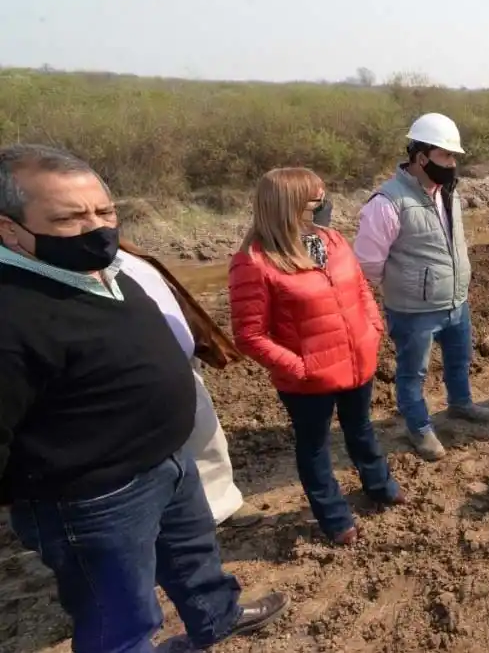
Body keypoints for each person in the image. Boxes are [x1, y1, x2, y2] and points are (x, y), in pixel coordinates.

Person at [0, 144, 288, 652]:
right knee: (120, 613)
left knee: (194, 557)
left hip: (170, 462)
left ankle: (216, 616)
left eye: (105, 211)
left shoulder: (100, 268)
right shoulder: (12, 310)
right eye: (70, 218)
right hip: (94, 500)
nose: (97, 227)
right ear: (9, 229)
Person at [230, 167, 403, 546]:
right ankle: (334, 516)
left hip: (357, 360)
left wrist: (372, 330)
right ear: (288, 205)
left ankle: (379, 485)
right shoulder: (254, 261)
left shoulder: (333, 239)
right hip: (309, 380)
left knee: (361, 429)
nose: (324, 205)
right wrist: (300, 367)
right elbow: (249, 335)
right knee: (314, 447)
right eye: (315, 199)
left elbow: (360, 290)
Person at [354, 113, 489, 462]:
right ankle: (418, 426)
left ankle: (460, 404)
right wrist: (410, 283)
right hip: (414, 310)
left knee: (460, 360)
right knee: (412, 373)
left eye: (454, 156)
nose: (453, 163)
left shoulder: (449, 193)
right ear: (421, 157)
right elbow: (368, 263)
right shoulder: (387, 202)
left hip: (456, 301)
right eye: (446, 155)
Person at [117, 241, 262, 529]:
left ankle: (220, 501)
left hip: (177, 365)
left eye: (104, 211)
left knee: (203, 433)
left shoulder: (125, 253)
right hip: (122, 377)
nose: (96, 220)